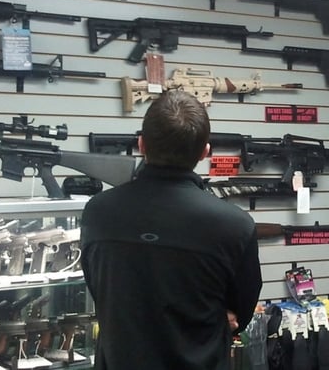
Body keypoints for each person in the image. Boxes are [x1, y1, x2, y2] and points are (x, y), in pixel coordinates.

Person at [81, 89, 263, 370]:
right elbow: (241, 314)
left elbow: (101, 291)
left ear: (141, 144)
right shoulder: (235, 225)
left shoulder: (98, 211)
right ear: (205, 152)